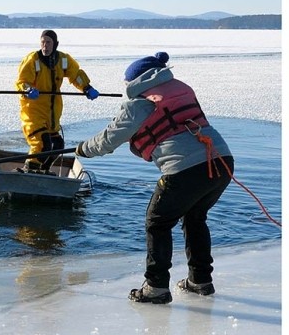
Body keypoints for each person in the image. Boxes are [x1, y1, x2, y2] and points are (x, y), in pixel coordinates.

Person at [75, 51, 233, 305]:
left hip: (186, 169)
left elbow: (108, 139)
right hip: (222, 161)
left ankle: (156, 287)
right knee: (194, 217)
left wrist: (83, 149)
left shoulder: (139, 104)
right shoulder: (180, 89)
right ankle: (200, 280)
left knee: (157, 222)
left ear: (136, 80)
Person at [15, 29, 99, 170]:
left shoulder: (63, 60)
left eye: (48, 42)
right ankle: (30, 168)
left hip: (53, 112)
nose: (45, 46)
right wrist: (27, 90)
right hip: (34, 111)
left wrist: (87, 87)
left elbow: (76, 75)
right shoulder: (33, 60)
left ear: (55, 44)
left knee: (58, 145)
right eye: (43, 42)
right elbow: (22, 81)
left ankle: (44, 169)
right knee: (42, 143)